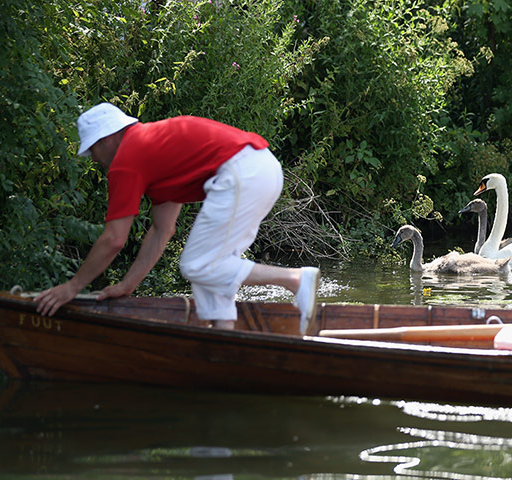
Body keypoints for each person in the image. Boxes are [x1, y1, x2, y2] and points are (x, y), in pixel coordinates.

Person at [34, 103, 320, 334]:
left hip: (243, 173)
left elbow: (114, 239)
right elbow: (162, 230)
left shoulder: (127, 159)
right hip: (259, 169)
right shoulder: (151, 148)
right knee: (211, 266)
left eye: (92, 149)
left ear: (107, 138)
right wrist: (128, 285)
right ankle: (225, 337)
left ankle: (294, 279)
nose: (94, 159)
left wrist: (72, 287)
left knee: (197, 264)